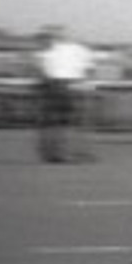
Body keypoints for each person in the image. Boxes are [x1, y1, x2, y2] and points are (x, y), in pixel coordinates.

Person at [34, 25, 95, 162]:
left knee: (55, 122)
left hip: (58, 86)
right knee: (67, 122)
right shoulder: (77, 50)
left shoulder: (48, 49)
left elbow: (41, 69)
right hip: (64, 86)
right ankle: (63, 154)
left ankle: (55, 154)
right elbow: (89, 70)